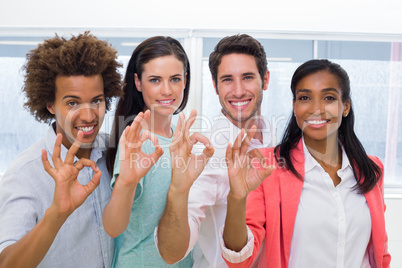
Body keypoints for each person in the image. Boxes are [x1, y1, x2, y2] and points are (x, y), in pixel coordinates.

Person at [221, 59, 391, 267]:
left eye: (328, 97)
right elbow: (239, 259)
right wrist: (237, 197)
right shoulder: (266, 165)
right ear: (294, 106)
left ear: (345, 106)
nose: (316, 108)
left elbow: (380, 253)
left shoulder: (372, 170)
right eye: (304, 98)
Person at [0, 32, 123, 267]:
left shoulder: (116, 152)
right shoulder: (25, 174)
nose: (88, 115)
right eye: (72, 103)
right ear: (50, 104)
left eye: (96, 100)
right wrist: (57, 213)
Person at [156, 34, 276, 267]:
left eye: (248, 77)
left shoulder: (275, 138)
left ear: (266, 79)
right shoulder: (209, 153)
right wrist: (178, 190)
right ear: (215, 85)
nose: (239, 91)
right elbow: (171, 252)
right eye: (228, 80)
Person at [102, 36, 214, 267]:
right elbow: (114, 228)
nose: (166, 90)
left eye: (174, 79)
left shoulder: (178, 136)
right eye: (155, 80)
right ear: (138, 82)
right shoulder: (136, 140)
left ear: (185, 80)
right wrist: (127, 182)